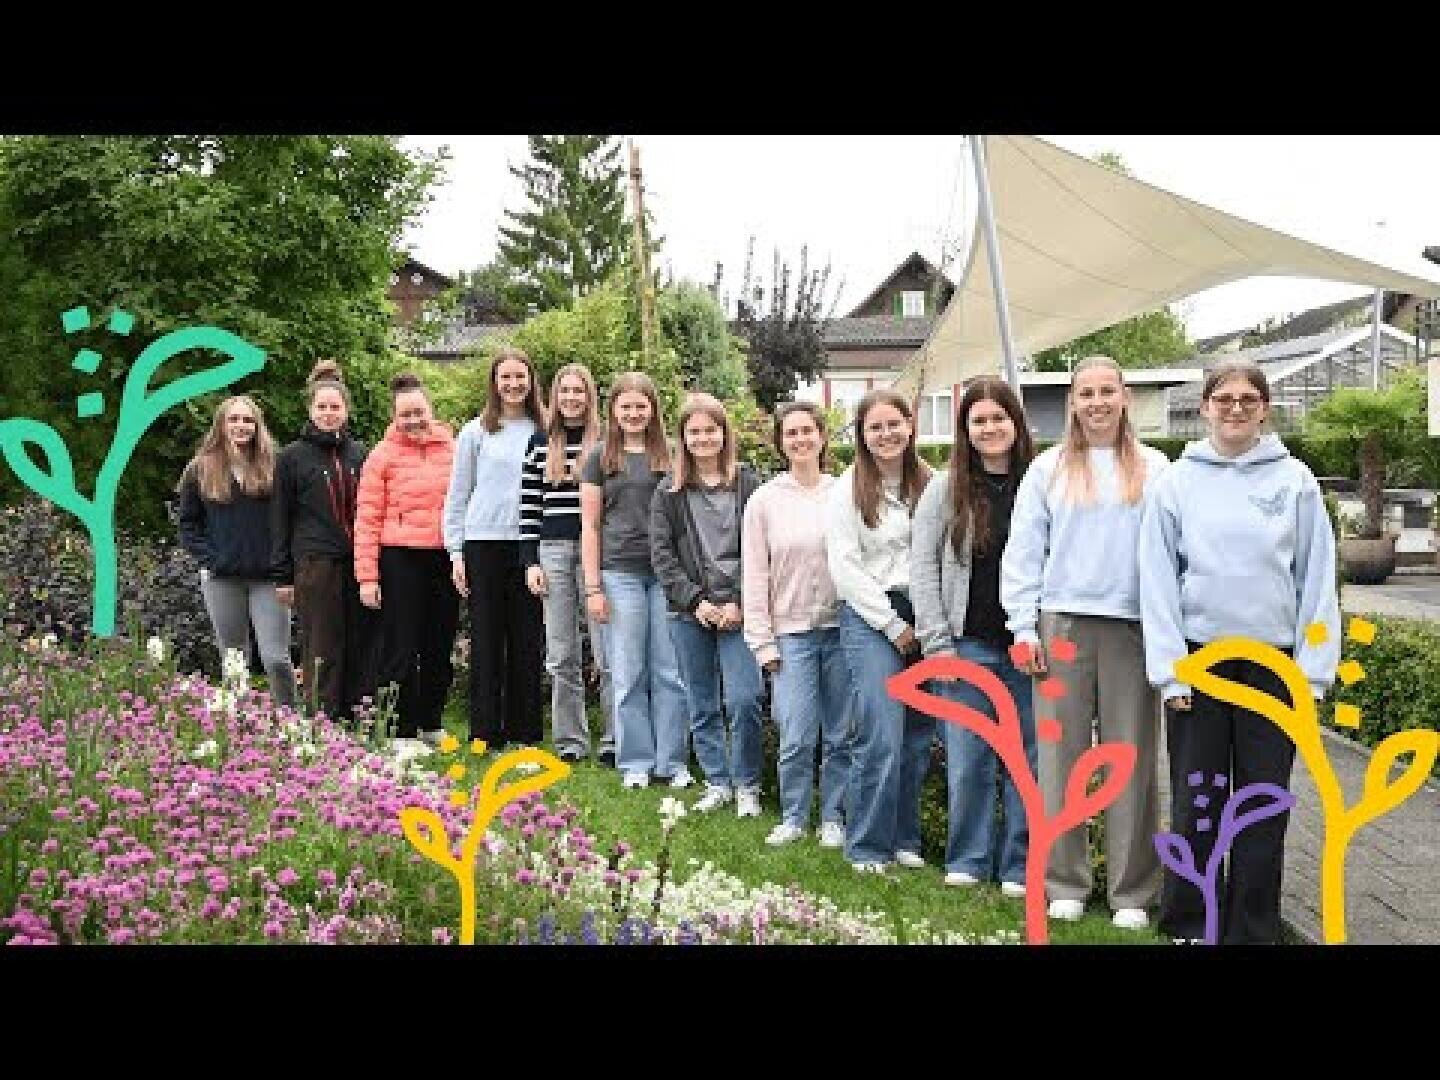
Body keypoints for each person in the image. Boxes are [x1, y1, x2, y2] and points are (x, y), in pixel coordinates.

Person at [1139, 360, 1340, 945]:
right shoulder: (1175, 483)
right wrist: (1170, 673)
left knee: (1262, 801)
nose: (1235, 408)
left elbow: (1316, 582)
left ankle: (1252, 927)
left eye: (1248, 399)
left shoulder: (1296, 481)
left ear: (1264, 409)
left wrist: (1312, 676)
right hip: (1198, 664)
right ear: (1205, 407)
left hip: (1275, 666)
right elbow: (1157, 580)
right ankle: (1191, 920)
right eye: (1223, 398)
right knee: (1200, 797)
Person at [1001, 355, 1171, 930]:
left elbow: (1171, 553)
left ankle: (1132, 891)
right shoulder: (1047, 469)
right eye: (1086, 394)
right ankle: (1065, 882)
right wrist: (1023, 627)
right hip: (1063, 628)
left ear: (1124, 398)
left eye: (1107, 392)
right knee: (1060, 758)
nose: (1097, 403)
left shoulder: (1156, 468)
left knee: (1132, 759)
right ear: (1073, 402)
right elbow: (1024, 551)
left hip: (1132, 628)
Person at [911, 379, 1036, 894]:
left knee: (1029, 762)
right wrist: (937, 642)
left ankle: (1020, 866)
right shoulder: (947, 488)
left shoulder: (1040, 481)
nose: (989, 428)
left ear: (1016, 423)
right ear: (965, 429)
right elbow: (923, 565)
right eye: (978, 420)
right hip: (966, 646)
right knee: (967, 761)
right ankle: (968, 859)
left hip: (1029, 650)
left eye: (998, 418)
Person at [826, 388, 934, 874]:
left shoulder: (932, 484)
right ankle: (867, 844)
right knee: (881, 731)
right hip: (872, 614)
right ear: (861, 435)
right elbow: (844, 567)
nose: (886, 434)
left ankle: (904, 837)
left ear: (910, 426)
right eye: (875, 427)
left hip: (926, 612)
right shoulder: (846, 490)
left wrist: (929, 621)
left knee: (917, 733)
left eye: (894, 424)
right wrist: (892, 625)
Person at [742, 401, 852, 847]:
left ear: (822, 437)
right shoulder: (765, 501)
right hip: (790, 635)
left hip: (843, 630)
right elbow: (754, 573)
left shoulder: (843, 492)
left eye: (808, 431)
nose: (801, 439)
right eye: (791, 433)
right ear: (781, 442)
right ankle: (793, 816)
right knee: (797, 734)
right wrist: (762, 642)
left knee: (841, 734)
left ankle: (834, 818)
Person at [652, 393, 764, 817]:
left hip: (739, 610)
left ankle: (748, 784)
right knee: (701, 702)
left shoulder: (748, 484)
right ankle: (718, 781)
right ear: (682, 437)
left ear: (724, 433)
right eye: (694, 431)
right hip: (689, 613)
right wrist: (695, 601)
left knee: (745, 699)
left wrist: (740, 601)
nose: (703, 438)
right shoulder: (669, 491)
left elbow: (763, 550)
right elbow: (662, 556)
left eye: (710, 430)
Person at [580, 371, 691, 790]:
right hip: (619, 574)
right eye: (625, 406)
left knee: (669, 671)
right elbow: (590, 526)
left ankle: (671, 762)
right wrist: (593, 587)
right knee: (628, 671)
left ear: (653, 409)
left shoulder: (671, 455)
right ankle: (636, 762)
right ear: (613, 410)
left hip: (666, 576)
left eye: (640, 406)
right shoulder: (600, 458)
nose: (633, 413)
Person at [443, 346, 547, 750]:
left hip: (529, 546)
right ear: (494, 383)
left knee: (526, 640)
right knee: (486, 640)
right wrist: (455, 551)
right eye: (506, 377)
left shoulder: (544, 430)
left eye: (520, 376)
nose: (513, 384)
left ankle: (525, 733)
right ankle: (485, 732)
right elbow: (458, 494)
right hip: (482, 544)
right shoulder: (475, 432)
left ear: (531, 381)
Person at [354, 371, 458, 753]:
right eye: (405, 415)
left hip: (444, 557)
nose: (413, 420)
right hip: (399, 558)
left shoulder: (453, 450)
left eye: (419, 412)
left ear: (431, 410)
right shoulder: (381, 456)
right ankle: (402, 729)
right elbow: (367, 518)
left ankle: (431, 722)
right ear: (395, 417)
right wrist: (367, 577)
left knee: (439, 644)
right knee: (401, 647)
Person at [520, 362, 615, 766]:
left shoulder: (606, 443)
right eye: (565, 391)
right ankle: (571, 740)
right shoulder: (540, 442)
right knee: (562, 652)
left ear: (589, 396)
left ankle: (615, 738)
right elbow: (529, 507)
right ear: (554, 397)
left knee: (607, 649)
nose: (571, 398)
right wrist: (530, 561)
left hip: (599, 552)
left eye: (579, 391)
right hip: (553, 550)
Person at [271, 359, 375, 723]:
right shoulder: (291, 458)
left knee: (360, 641)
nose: (328, 414)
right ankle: (323, 718)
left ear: (346, 410)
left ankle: (358, 715)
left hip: (358, 563)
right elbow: (279, 517)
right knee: (321, 644)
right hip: (315, 564)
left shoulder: (360, 454)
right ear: (311, 410)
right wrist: (283, 576)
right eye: (322, 407)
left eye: (335, 407)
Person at [177, 394, 297, 710]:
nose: (241, 426)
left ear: (257, 426)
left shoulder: (276, 467)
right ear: (221, 425)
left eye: (248, 420)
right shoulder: (200, 469)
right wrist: (213, 559)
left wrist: (286, 567)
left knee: (276, 658)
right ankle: (239, 724)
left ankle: (291, 720)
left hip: (268, 580)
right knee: (233, 658)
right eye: (234, 419)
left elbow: (292, 521)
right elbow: (188, 525)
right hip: (222, 580)